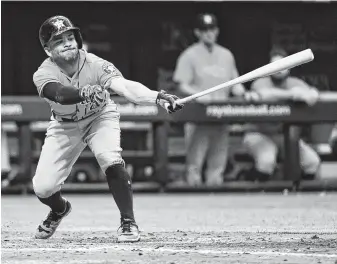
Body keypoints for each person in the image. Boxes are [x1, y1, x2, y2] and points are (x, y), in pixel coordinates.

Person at [32, 16, 183, 242]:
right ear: (47, 50)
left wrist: (158, 97)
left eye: (70, 37)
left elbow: (125, 88)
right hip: (65, 125)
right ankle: (60, 209)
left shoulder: (96, 64)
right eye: (58, 41)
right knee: (43, 188)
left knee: (109, 157)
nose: (67, 43)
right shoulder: (43, 73)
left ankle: (128, 222)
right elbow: (59, 94)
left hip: (99, 117)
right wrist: (83, 93)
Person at [173, 13, 245, 186]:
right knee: (194, 167)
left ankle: (214, 210)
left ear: (217, 31)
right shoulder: (189, 55)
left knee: (217, 167)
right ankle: (192, 209)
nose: (208, 33)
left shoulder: (227, 55)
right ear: (197, 32)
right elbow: (181, 84)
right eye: (204, 30)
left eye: (211, 29)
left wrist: (240, 89)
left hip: (221, 116)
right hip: (198, 117)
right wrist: (198, 95)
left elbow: (235, 83)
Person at [243, 46, 321, 182]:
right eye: (275, 65)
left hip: (284, 135)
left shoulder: (295, 82)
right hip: (259, 134)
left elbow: (312, 95)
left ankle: (299, 198)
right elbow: (265, 94)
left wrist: (311, 93)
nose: (279, 69)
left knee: (312, 162)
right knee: (266, 162)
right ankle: (250, 184)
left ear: (289, 66)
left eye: (283, 64)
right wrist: (292, 94)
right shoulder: (260, 82)